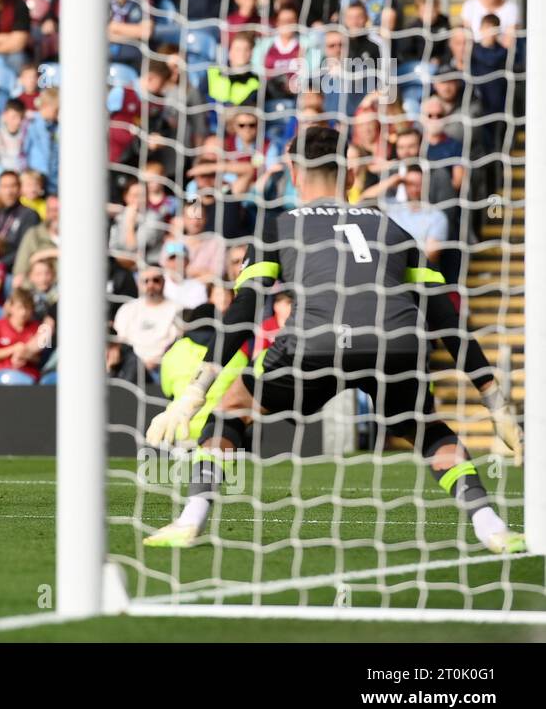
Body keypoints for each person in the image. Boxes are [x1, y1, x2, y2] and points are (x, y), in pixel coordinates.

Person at [144, 126, 525, 554]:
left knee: (233, 407)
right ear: (350, 171)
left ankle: (190, 518)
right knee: (426, 427)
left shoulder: (278, 225)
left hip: (317, 342)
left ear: (292, 170)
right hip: (395, 343)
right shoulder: (390, 225)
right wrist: (494, 400)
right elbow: (444, 316)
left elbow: (245, 309)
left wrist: (195, 391)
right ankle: (489, 523)